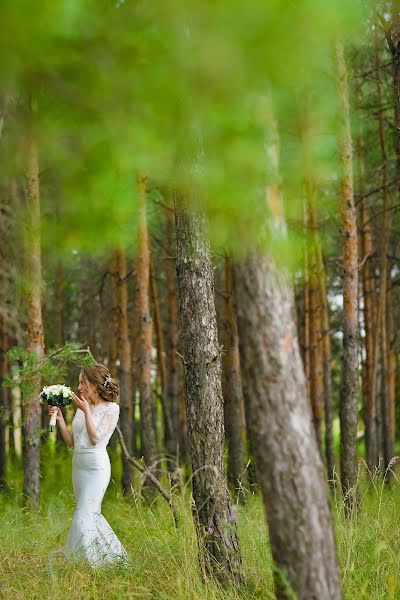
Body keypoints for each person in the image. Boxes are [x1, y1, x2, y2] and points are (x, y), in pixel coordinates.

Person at [49, 363, 129, 568]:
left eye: (83, 382)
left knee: (83, 516)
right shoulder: (83, 407)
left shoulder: (112, 409)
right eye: (79, 383)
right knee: (91, 514)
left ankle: (89, 565)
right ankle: (114, 559)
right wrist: (59, 420)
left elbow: (95, 439)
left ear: (94, 385)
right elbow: (71, 442)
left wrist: (85, 411)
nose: (79, 387)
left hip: (96, 468)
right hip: (79, 467)